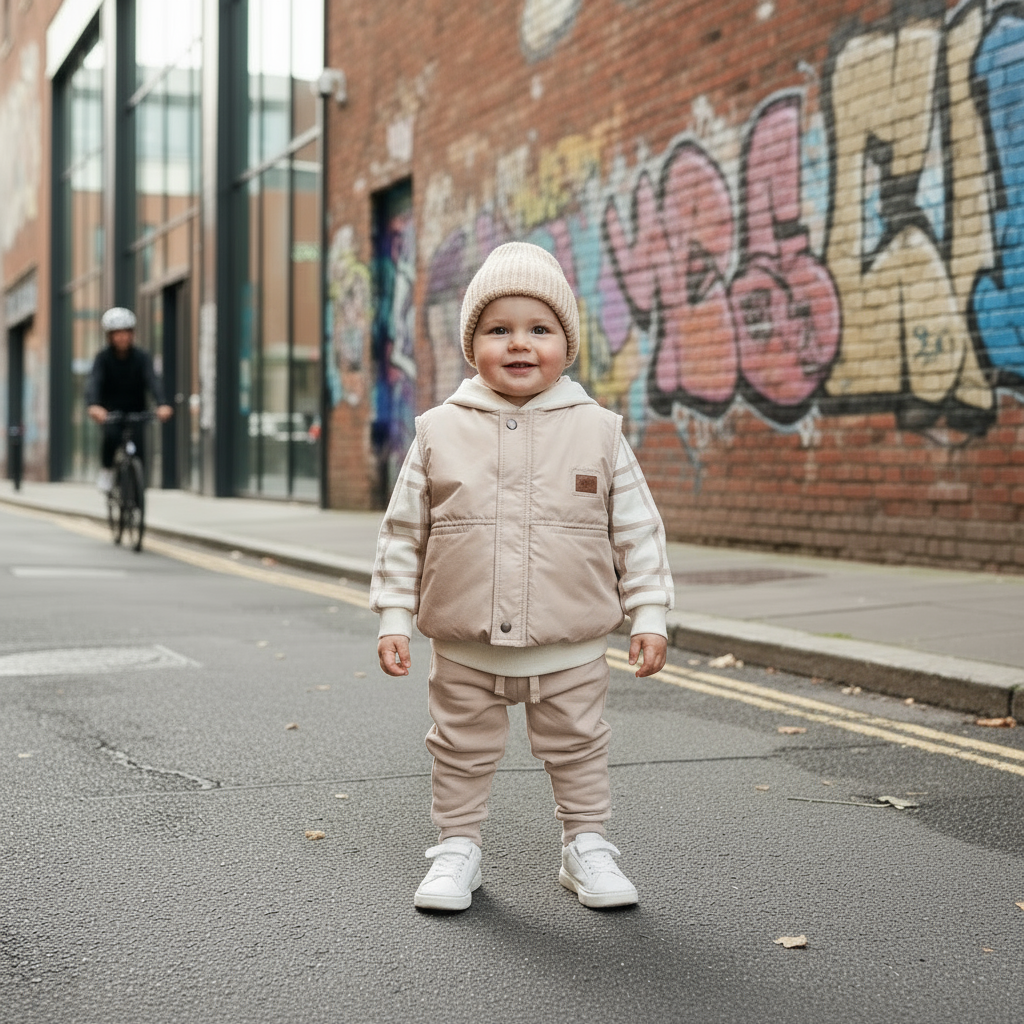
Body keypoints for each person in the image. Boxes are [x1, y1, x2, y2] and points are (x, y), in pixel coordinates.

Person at [371, 242, 673, 912]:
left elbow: (637, 530)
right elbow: (403, 532)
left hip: (570, 645)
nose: (518, 343)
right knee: (459, 749)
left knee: (579, 747)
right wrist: (393, 615)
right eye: (497, 329)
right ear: (471, 344)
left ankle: (585, 845)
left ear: (567, 345)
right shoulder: (437, 430)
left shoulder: (599, 431)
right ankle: (457, 848)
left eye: (539, 328)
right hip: (464, 645)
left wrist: (649, 612)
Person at [86, 307, 173, 492]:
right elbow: (94, 382)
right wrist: (94, 405)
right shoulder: (102, 358)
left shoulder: (142, 357)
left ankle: (137, 486)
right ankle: (107, 471)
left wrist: (162, 404)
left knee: (138, 448)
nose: (122, 337)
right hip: (110, 411)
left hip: (136, 410)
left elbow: (153, 381)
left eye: (126, 332)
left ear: (132, 333)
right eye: (117, 333)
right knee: (111, 437)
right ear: (110, 336)